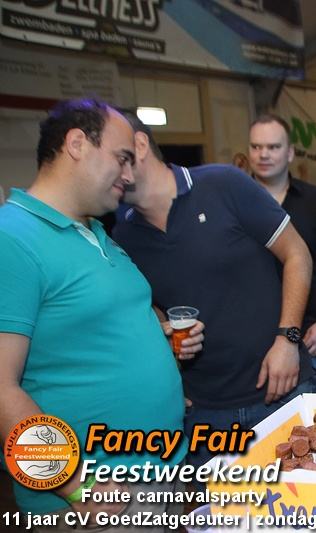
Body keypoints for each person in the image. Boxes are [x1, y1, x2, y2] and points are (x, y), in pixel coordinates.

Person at [0, 98, 203, 527]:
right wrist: (74, 483)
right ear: (77, 144)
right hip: (100, 496)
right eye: (122, 158)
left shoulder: (96, 233)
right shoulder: (12, 238)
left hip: (159, 471)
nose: (129, 175)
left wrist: (156, 357)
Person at [112, 110, 314, 470]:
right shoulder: (123, 233)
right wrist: (168, 362)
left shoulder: (222, 184)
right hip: (205, 412)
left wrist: (288, 339)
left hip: (281, 390)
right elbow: (152, 308)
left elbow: (297, 254)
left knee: (306, 502)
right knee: (224, 506)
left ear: (139, 146)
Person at [248, 114, 316, 394]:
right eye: (256, 147)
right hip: (254, 342)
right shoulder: (233, 202)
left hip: (311, 338)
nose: (264, 154)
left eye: (273, 147)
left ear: (290, 152)